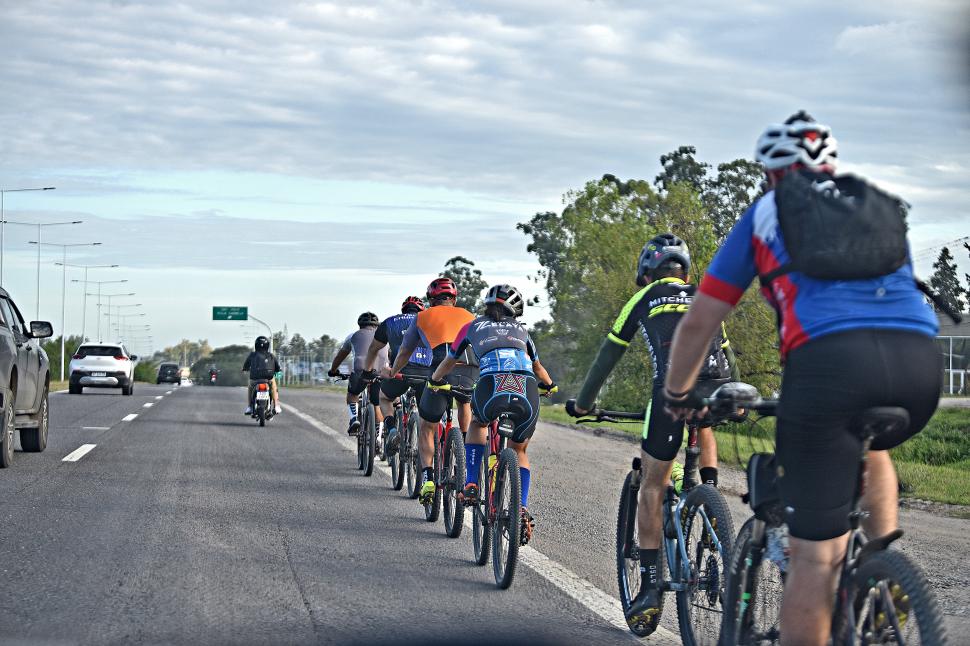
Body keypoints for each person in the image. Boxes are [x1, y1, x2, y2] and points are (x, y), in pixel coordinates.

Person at [662, 112, 940, 646]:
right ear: (830, 163)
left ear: (770, 171)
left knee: (815, 553)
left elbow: (701, 319)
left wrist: (679, 393)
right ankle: (880, 572)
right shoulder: (872, 205)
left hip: (830, 368)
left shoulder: (768, 210)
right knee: (868, 439)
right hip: (918, 367)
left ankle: (843, 576)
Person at [566, 232, 737, 635]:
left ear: (647, 271)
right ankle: (709, 502)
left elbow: (610, 351)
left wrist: (586, 402)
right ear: (685, 269)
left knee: (651, 485)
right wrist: (737, 395)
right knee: (704, 418)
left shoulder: (644, 298)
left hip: (671, 393)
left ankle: (648, 588)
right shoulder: (705, 294)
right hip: (719, 387)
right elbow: (726, 354)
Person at [428, 284, 556, 544]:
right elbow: (538, 368)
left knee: (478, 423)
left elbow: (451, 359)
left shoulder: (472, 327)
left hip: (490, 383)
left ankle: (472, 483)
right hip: (526, 387)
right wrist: (550, 386)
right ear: (516, 311)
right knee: (519, 450)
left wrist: (435, 378)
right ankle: (520, 508)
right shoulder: (524, 332)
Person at [386, 277, 475, 505]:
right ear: (454, 299)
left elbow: (405, 351)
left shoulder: (422, 317)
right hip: (469, 369)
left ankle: (427, 479)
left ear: (431, 299)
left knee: (427, 426)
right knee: (464, 401)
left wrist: (394, 370)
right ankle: (464, 447)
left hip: (440, 369)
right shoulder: (469, 316)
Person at [363, 296, 432, 455]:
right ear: (421, 310)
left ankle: (392, 428)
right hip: (426, 374)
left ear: (403, 310)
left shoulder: (390, 322)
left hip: (400, 373)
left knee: (384, 397)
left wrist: (367, 371)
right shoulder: (430, 321)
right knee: (428, 416)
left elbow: (373, 349)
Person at [329, 312, 389, 435]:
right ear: (376, 326)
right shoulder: (384, 337)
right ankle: (378, 437)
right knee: (377, 404)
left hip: (361, 372)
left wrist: (333, 370)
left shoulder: (352, 336)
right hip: (380, 373)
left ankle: (354, 419)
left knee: (352, 394)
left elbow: (340, 356)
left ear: (360, 326)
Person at [242, 336, 282, 415]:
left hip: (255, 378)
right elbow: (277, 367)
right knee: (274, 387)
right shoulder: (271, 355)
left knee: (250, 387)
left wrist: (244, 369)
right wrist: (278, 371)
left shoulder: (252, 355)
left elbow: (246, 365)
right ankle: (276, 406)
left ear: (256, 345)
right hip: (268, 378)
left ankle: (249, 407)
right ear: (267, 346)